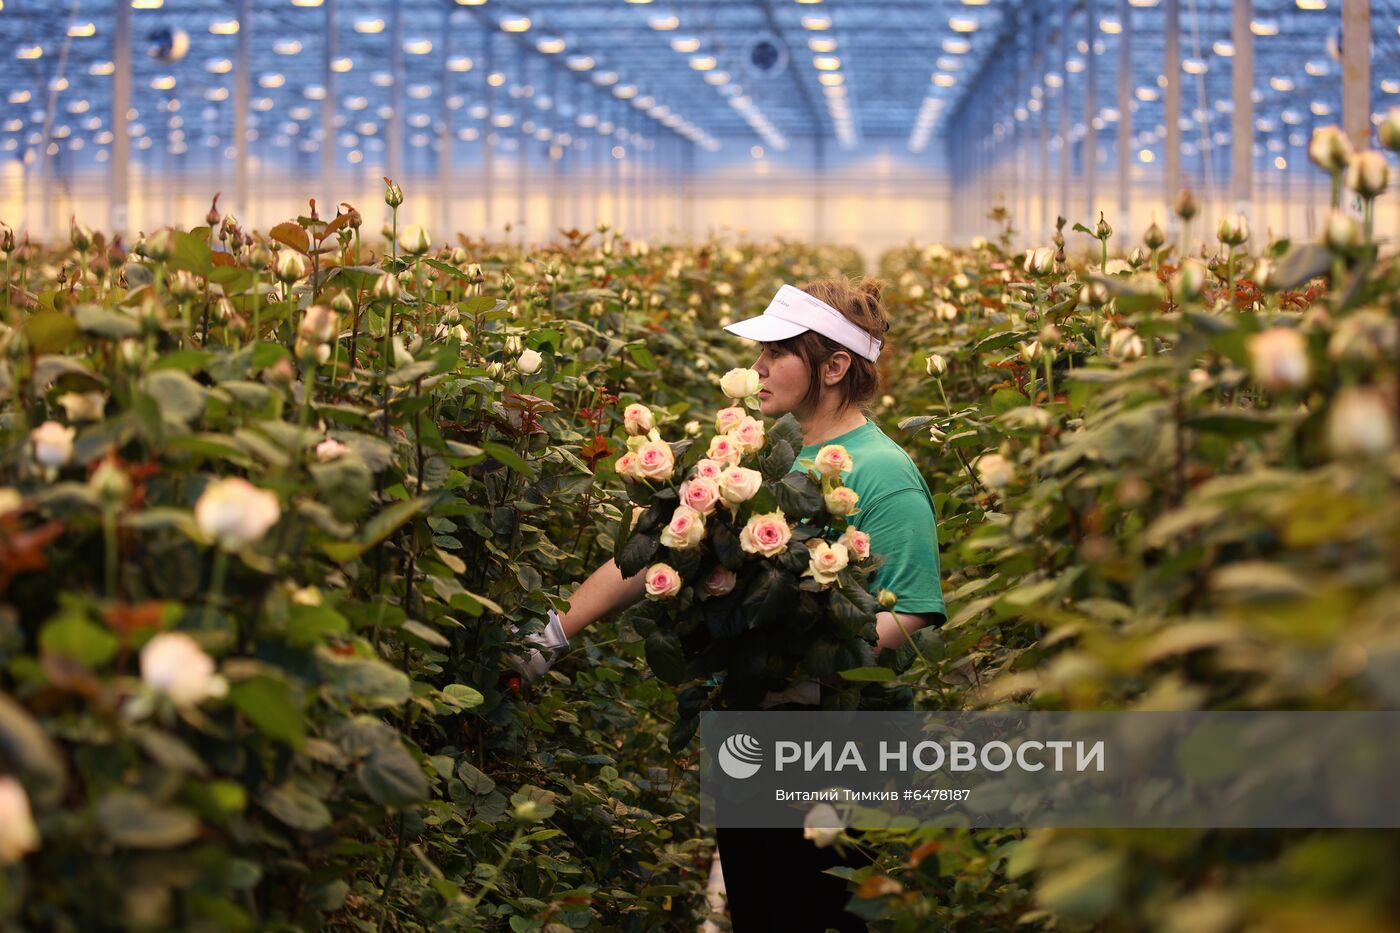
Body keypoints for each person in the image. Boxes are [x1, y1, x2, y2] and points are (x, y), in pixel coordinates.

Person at [514, 277, 946, 931]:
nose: (759, 366)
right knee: (761, 906)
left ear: (833, 366)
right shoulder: (752, 459)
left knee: (821, 911)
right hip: (751, 732)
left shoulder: (883, 473)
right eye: (760, 351)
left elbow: (910, 610)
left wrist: (808, 664)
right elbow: (658, 549)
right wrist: (556, 630)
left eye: (778, 351)